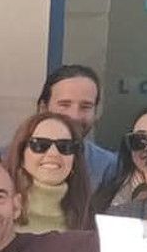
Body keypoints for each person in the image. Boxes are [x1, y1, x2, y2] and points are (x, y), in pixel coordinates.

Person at [5, 111, 92, 233]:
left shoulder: (92, 220)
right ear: (21, 155)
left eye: (65, 146)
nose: (53, 153)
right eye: (40, 145)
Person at [36, 64, 118, 192]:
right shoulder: (6, 161)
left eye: (85, 107)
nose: (74, 116)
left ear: (96, 112)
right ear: (43, 108)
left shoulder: (109, 167)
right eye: (64, 104)